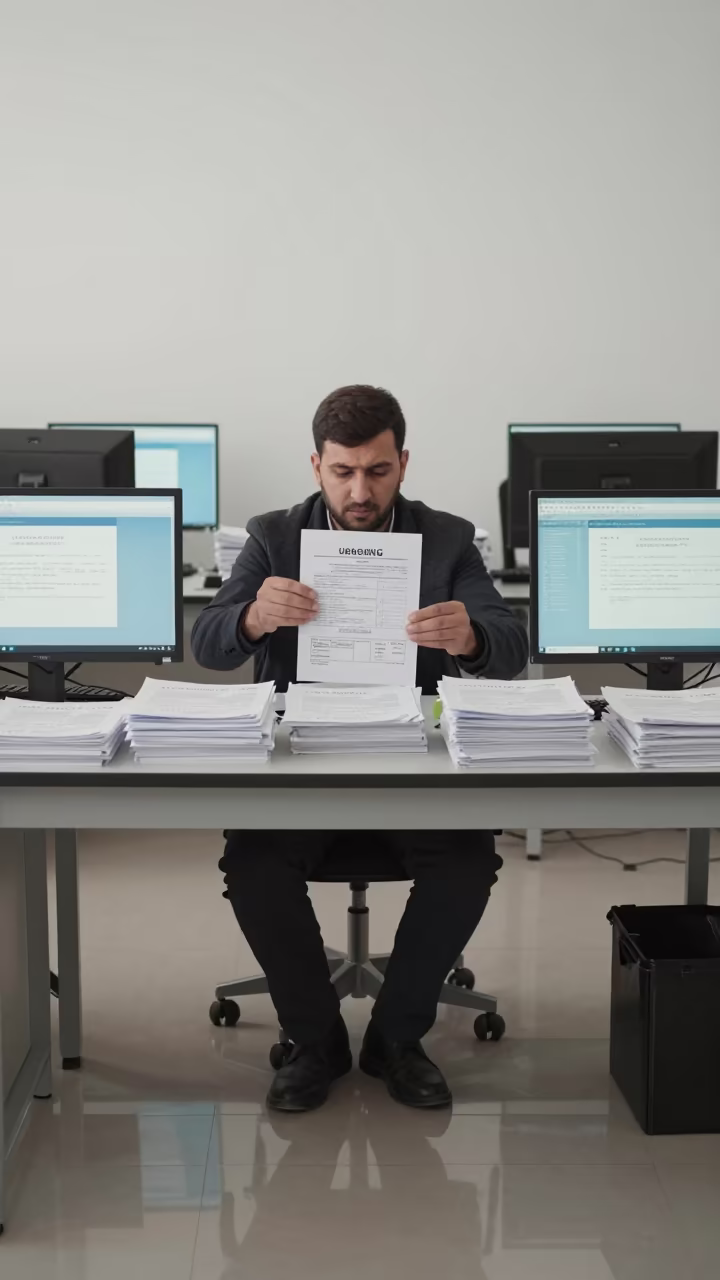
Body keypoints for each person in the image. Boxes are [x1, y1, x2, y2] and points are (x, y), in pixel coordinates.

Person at [192, 385, 528, 1113]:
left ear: (403, 463)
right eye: (343, 472)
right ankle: (315, 1040)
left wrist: (470, 637)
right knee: (252, 864)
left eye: (377, 471)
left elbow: (510, 646)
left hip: (413, 766)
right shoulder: (274, 535)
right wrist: (252, 618)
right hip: (303, 767)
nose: (359, 492)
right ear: (316, 465)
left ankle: (396, 1038)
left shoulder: (447, 538)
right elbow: (207, 642)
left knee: (468, 861)